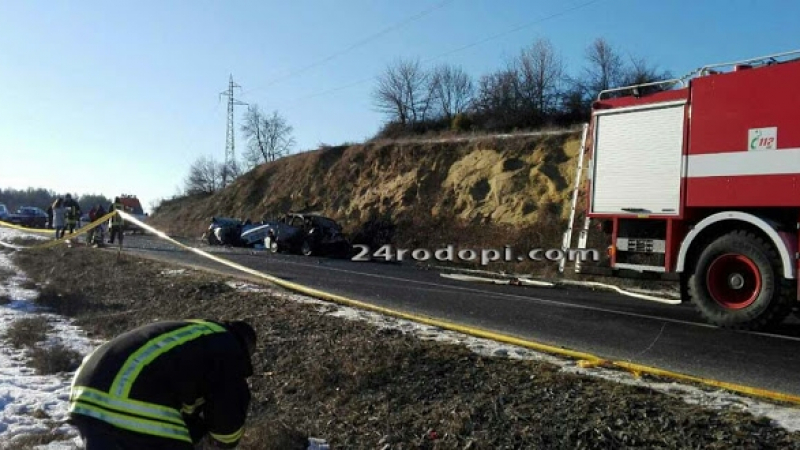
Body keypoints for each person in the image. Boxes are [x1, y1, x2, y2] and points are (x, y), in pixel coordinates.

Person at [68, 319, 256, 449]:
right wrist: (224, 442)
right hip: (128, 394)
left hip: (85, 393)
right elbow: (227, 405)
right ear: (245, 346)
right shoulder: (227, 347)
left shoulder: (194, 335)